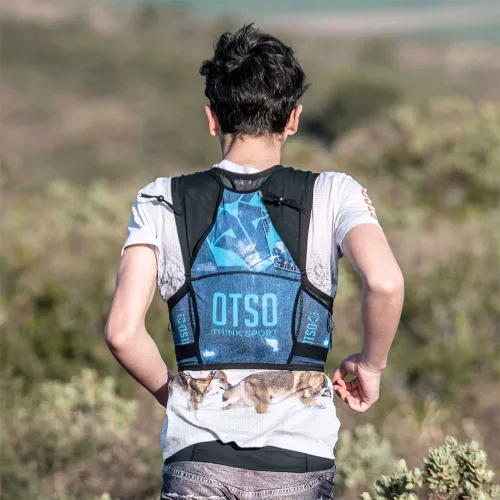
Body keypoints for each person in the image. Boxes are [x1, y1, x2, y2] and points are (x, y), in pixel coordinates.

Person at [105, 24, 404, 500]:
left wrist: (184, 400)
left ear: (211, 118)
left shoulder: (159, 199)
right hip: (299, 462)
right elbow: (385, 282)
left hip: (195, 459)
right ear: (294, 119)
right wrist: (372, 364)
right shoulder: (335, 193)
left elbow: (122, 333)